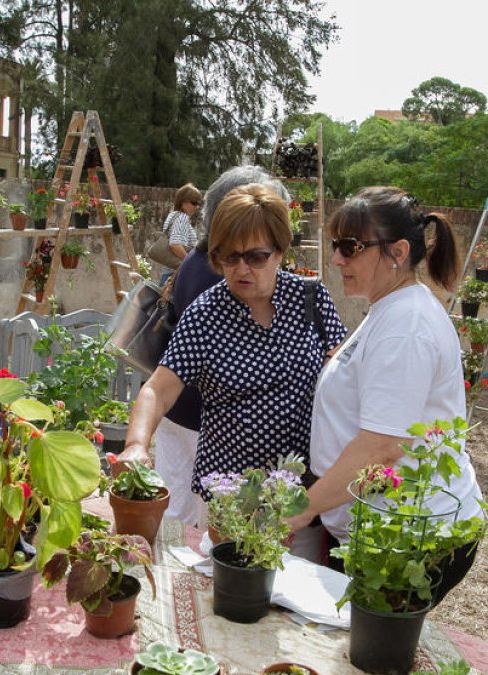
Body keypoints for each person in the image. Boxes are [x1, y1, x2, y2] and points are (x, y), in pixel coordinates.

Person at [118, 184, 346, 556]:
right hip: (229, 500)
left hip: (301, 497)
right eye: (228, 257)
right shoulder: (206, 314)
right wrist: (135, 445)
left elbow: (343, 378)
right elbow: (158, 389)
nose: (241, 269)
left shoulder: (311, 299)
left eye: (256, 256)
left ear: (280, 251)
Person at [285, 187, 484, 604]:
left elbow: (380, 448)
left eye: (350, 247)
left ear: (396, 252)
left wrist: (299, 511)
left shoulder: (405, 326)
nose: (337, 258)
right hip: (386, 532)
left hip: (410, 538)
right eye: (335, 245)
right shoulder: (391, 308)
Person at [153, 167, 285, 528]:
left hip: (182, 414)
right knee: (192, 522)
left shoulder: (199, 259)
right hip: (198, 417)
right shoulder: (222, 275)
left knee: (178, 511)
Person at [158, 183, 202, 282]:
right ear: (183, 203)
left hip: (169, 272)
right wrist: (190, 262)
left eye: (198, 203)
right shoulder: (182, 217)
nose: (197, 207)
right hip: (176, 274)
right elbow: (174, 245)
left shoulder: (172, 215)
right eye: (194, 203)